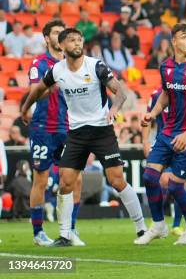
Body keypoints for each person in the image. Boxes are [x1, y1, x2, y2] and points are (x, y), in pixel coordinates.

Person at [21, 28, 147, 246]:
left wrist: (114, 108)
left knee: (117, 180)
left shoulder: (95, 65)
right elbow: (37, 89)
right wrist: (25, 109)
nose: (78, 43)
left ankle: (141, 228)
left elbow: (121, 92)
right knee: (66, 182)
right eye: (72, 40)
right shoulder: (57, 70)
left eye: (79, 40)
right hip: (77, 133)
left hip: (101, 130)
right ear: (62, 46)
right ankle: (65, 234)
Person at [137, 24, 186, 246]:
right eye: (184, 37)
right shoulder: (166, 67)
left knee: (174, 186)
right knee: (149, 177)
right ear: (174, 41)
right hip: (168, 131)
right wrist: (152, 114)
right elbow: (165, 94)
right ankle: (158, 225)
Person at [24, 20, 84, 246]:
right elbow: (34, 93)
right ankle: (38, 232)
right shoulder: (39, 63)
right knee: (41, 179)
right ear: (47, 38)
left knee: (76, 179)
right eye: (56, 33)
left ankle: (71, 230)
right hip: (43, 129)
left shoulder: (75, 63)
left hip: (69, 128)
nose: (61, 36)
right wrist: (54, 84)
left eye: (63, 32)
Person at [141, 87, 184, 236]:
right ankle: (158, 222)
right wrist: (145, 142)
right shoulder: (156, 95)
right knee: (158, 181)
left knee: (176, 184)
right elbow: (147, 118)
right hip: (161, 144)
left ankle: (176, 225)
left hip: (181, 143)